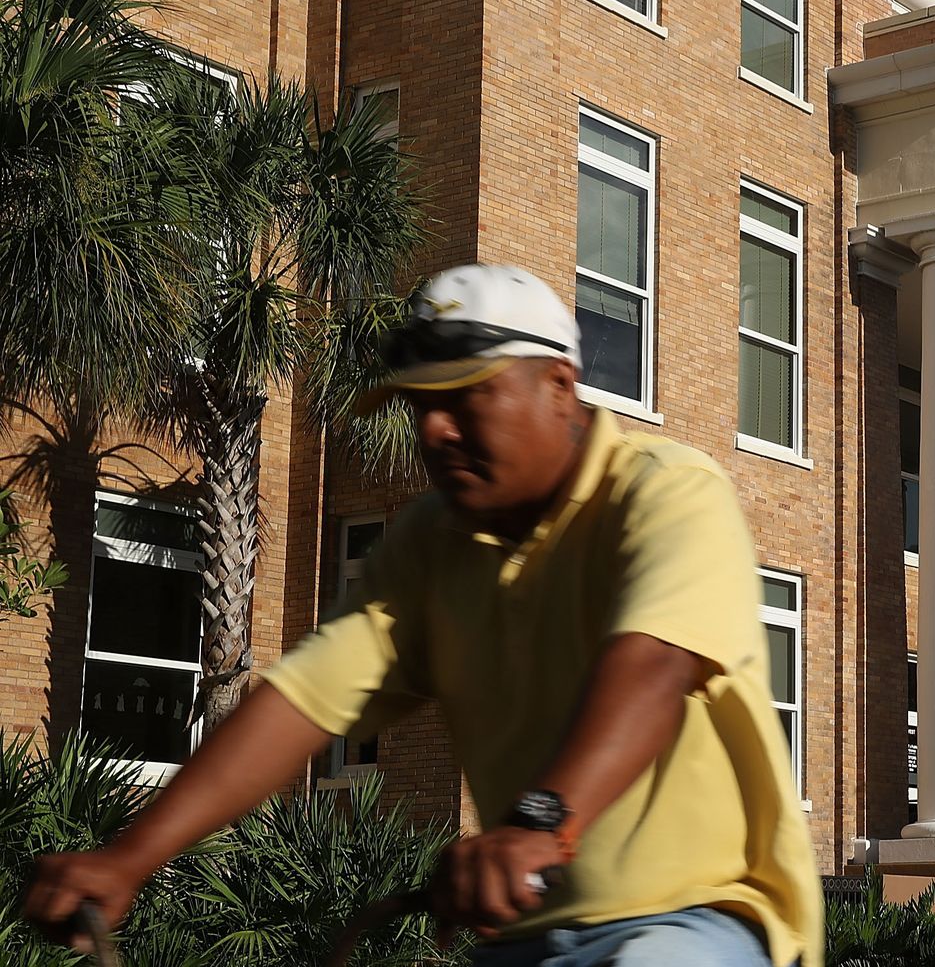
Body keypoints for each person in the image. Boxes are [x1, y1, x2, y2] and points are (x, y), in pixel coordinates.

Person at [26, 265, 822, 967]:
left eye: (466, 396)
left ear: (559, 386)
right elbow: (302, 702)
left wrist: (540, 823)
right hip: (524, 937)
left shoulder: (666, 490)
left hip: (695, 923)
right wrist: (130, 858)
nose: (435, 432)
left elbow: (652, 664)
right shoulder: (429, 543)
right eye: (419, 407)